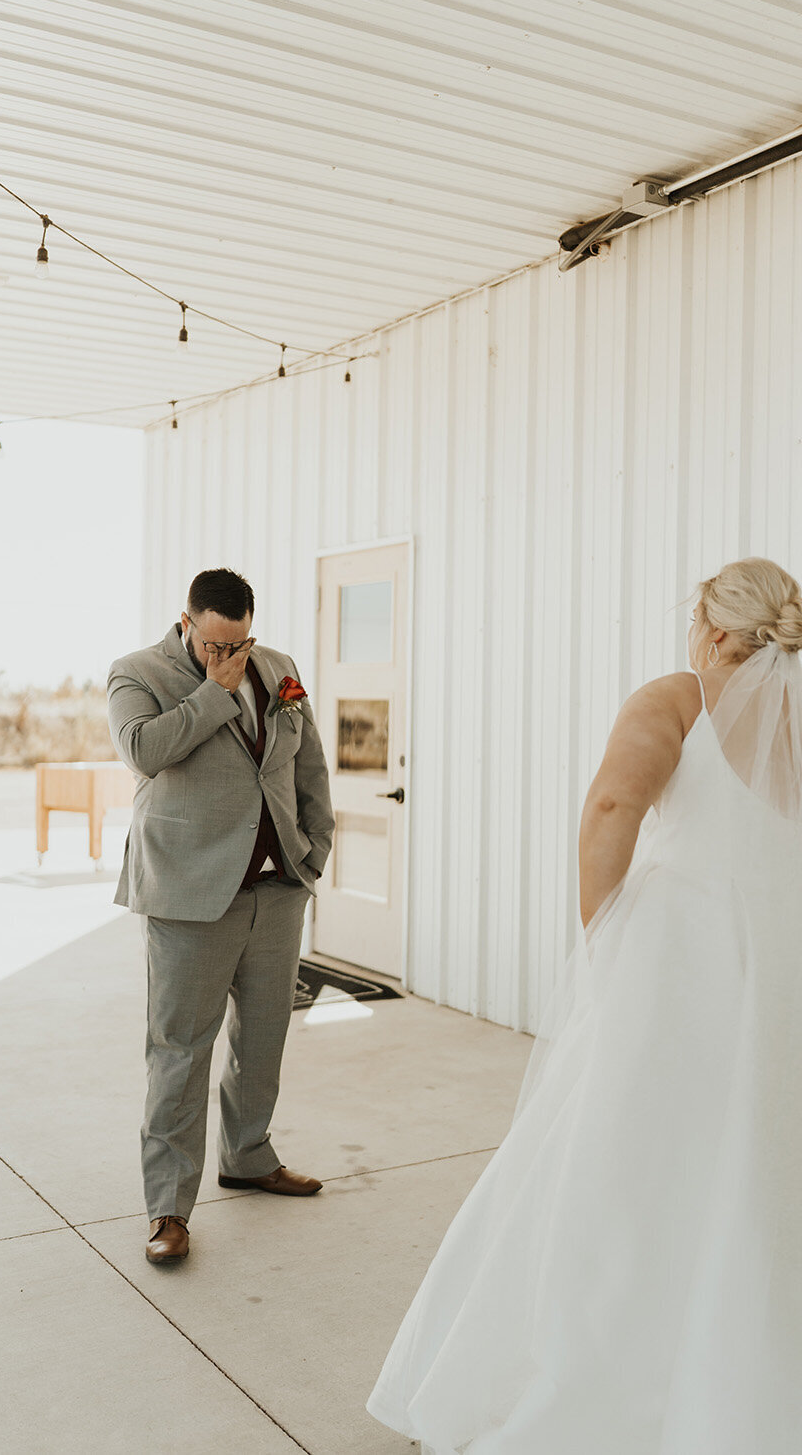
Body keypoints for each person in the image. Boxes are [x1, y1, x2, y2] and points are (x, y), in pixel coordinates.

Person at [368, 556, 802, 1454]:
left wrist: (606, 935)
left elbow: (613, 804)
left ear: (714, 629)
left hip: (681, 959)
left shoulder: (680, 694)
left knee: (620, 1160)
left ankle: (589, 1379)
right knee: (753, 1165)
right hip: (781, 965)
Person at [107, 568, 334, 1265]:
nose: (227, 656)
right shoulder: (135, 673)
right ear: (187, 621)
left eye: (238, 644)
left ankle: (248, 1153)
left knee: (263, 1040)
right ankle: (169, 1209)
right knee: (180, 1054)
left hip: (276, 889)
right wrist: (216, 692)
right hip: (189, 898)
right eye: (212, 644)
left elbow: (308, 765)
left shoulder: (281, 668)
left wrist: (313, 850)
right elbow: (144, 751)